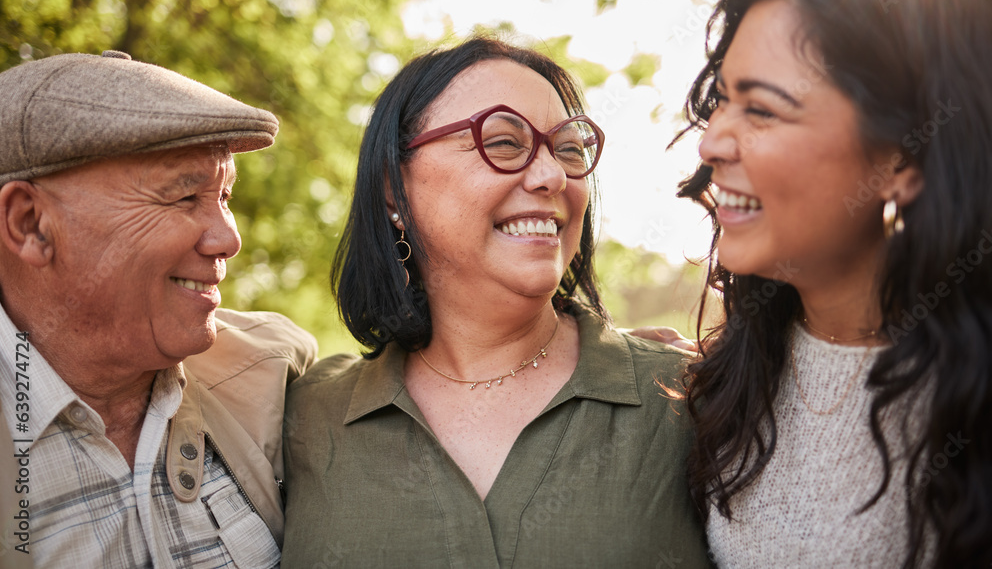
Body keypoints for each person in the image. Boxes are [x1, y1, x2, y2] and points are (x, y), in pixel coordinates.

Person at [282, 37, 711, 567]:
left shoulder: (692, 400)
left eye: (569, 149)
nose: (552, 174)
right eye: (504, 143)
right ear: (394, 188)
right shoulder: (300, 417)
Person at [670, 0, 992, 566]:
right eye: (722, 98)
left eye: (763, 109)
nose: (712, 141)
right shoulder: (726, 378)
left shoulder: (975, 399)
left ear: (904, 154)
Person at [0, 50, 317, 568]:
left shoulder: (273, 374)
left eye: (226, 196)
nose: (228, 239)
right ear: (31, 223)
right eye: (183, 196)